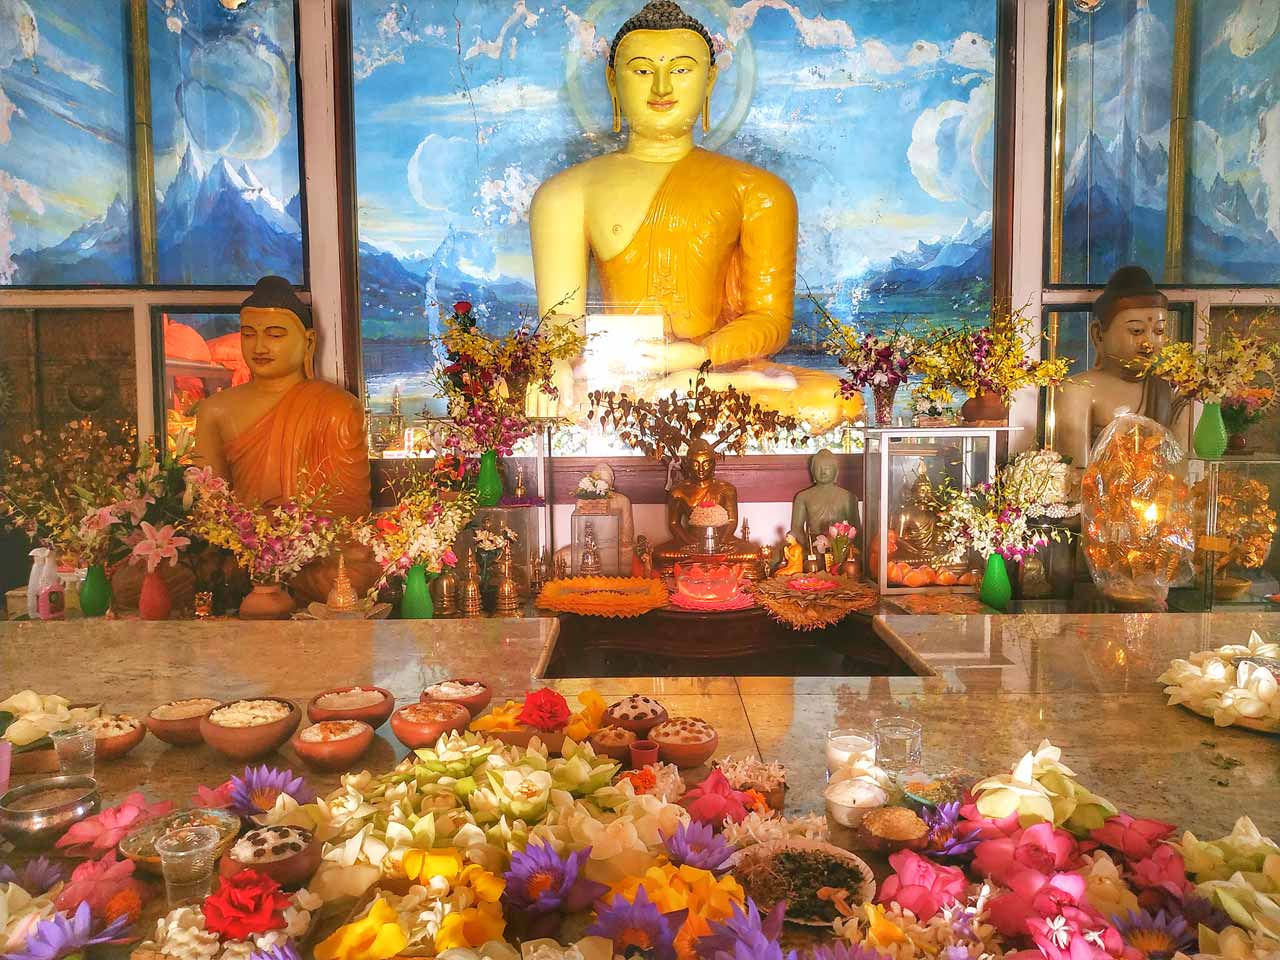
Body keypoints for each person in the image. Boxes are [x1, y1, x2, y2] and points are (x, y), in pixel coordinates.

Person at [529, 1, 862, 430]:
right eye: (643, 70)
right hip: (614, 373)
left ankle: (684, 390)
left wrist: (698, 356)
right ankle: (673, 396)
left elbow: (770, 321)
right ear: (613, 81)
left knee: (836, 399)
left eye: (683, 70)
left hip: (715, 370)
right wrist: (552, 364)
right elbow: (560, 319)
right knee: (510, 394)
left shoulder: (759, 191)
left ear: (710, 79)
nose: (662, 87)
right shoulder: (565, 192)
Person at [192, 276, 374, 600]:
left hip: (315, 558)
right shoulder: (215, 410)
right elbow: (209, 509)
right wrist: (254, 537)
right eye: (249, 335)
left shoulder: (337, 407)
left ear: (308, 341)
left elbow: (350, 513)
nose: (260, 347)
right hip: (243, 555)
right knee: (180, 572)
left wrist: (290, 539)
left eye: (275, 334)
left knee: (359, 567)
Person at [1054, 265, 1191, 467]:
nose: (1149, 343)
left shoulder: (1168, 391)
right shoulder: (1078, 389)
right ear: (1098, 334)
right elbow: (1075, 474)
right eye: (1136, 331)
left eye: (1159, 331)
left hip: (1158, 497)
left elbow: (1180, 469)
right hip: (1099, 495)